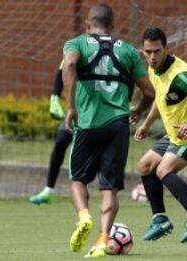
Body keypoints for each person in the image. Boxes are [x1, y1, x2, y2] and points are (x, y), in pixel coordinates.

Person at [63, 4, 154, 258]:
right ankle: (103, 239)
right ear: (113, 26)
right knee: (109, 188)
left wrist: (71, 107)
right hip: (118, 125)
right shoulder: (127, 50)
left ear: (87, 24)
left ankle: (83, 217)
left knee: (78, 180)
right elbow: (149, 92)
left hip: (88, 123)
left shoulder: (76, 43)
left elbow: (69, 65)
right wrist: (137, 109)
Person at [134, 27, 187, 243]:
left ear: (166, 49)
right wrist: (146, 124)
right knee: (145, 165)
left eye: (157, 51)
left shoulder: (180, 75)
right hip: (174, 133)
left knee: (163, 169)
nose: (152, 56)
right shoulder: (153, 69)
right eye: (148, 51)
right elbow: (161, 100)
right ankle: (160, 219)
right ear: (143, 50)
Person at [29, 60, 72, 205]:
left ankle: (106, 192)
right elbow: (61, 72)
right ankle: (48, 190)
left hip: (97, 111)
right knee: (60, 142)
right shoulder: (73, 51)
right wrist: (55, 98)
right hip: (75, 110)